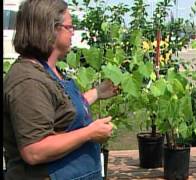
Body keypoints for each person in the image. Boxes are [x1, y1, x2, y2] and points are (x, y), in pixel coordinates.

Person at [3, 0, 119, 179]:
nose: (73, 32)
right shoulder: (27, 81)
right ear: (50, 29)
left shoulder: (49, 70)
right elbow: (34, 150)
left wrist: (97, 92)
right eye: (69, 27)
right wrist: (89, 133)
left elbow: (61, 111)